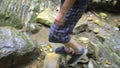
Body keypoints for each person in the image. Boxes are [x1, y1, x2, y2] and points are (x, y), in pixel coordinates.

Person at [49, 0, 89, 66]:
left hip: (75, 4)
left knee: (56, 33)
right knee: (65, 28)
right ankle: (67, 49)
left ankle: (79, 51)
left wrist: (62, 13)